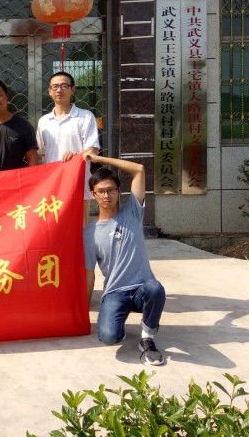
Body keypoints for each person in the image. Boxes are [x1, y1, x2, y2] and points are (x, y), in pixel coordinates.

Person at [82, 151, 166, 366]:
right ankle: (118, 317)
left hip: (141, 289)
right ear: (93, 195)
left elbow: (139, 170)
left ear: (119, 191)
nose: (106, 195)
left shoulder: (133, 212)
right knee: (109, 337)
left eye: (111, 190)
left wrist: (100, 160)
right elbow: (89, 273)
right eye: (101, 191)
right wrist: (84, 310)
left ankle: (147, 337)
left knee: (155, 288)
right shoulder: (89, 233)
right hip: (115, 293)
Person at [37, 71, 100, 225]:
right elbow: (42, 154)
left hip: (78, 184)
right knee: (54, 228)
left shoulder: (86, 117)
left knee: (80, 229)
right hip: (53, 186)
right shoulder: (44, 121)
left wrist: (76, 155)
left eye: (64, 86)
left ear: (73, 90)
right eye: (55, 86)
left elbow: (93, 150)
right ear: (50, 91)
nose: (59, 90)